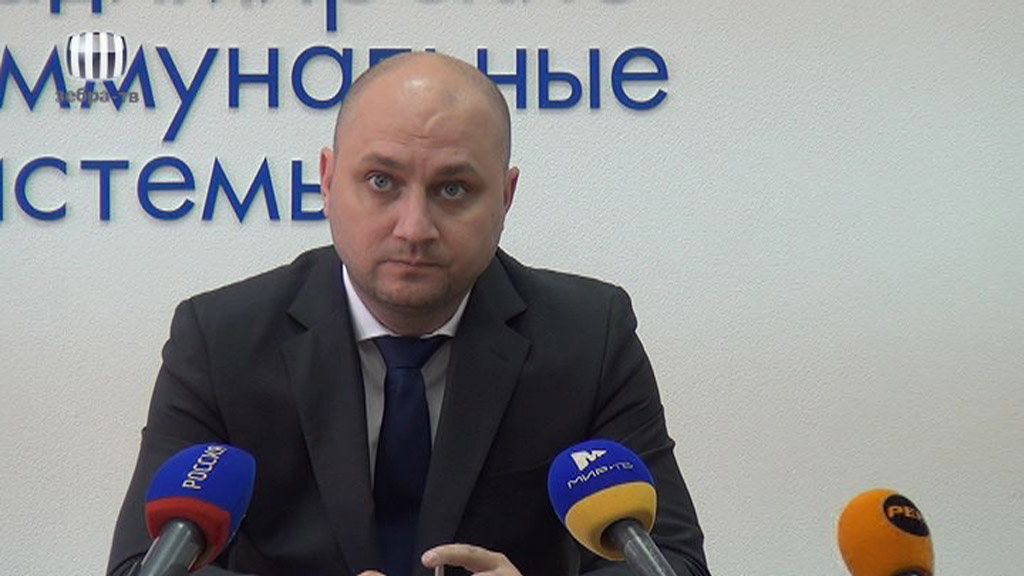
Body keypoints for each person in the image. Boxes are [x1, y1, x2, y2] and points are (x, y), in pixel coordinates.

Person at [107, 52, 711, 576]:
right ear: (326, 181)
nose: (414, 228)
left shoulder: (590, 336)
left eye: (453, 189)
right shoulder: (221, 339)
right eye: (381, 181)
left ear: (505, 197)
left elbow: (674, 561)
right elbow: (143, 566)